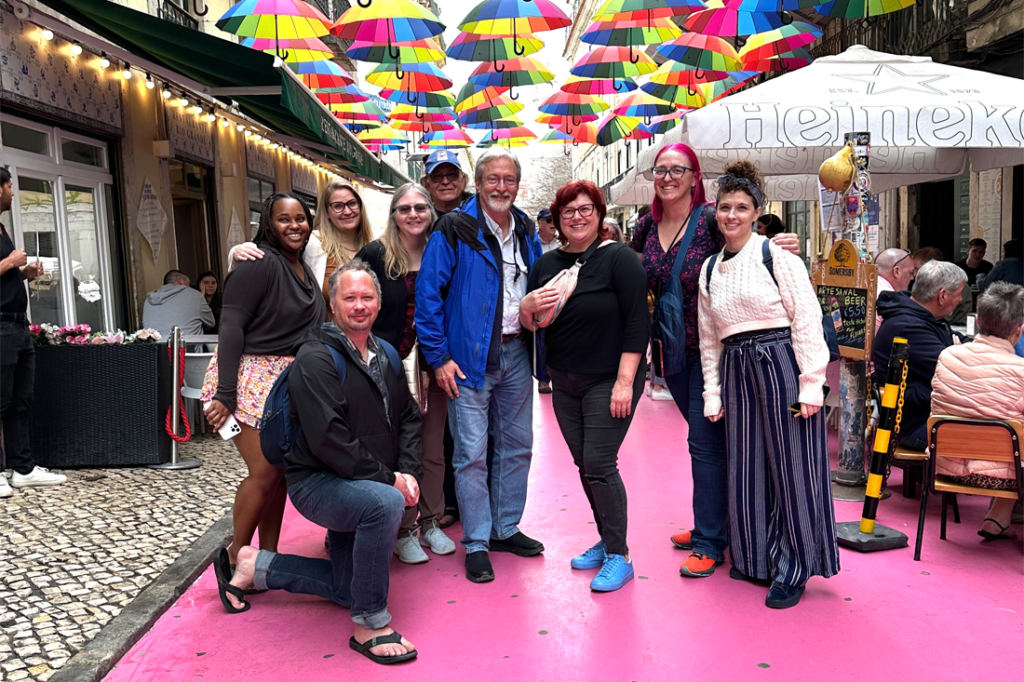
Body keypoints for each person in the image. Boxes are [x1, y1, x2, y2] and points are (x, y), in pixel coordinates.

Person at [221, 260, 422, 666]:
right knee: (385, 504)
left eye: (367, 297)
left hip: (364, 481)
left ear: (379, 304)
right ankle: (370, 623)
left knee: (352, 586)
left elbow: (409, 419)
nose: (359, 305)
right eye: (349, 298)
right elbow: (330, 439)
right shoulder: (315, 358)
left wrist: (409, 471)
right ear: (333, 305)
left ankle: (257, 565)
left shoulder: (384, 353)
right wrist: (391, 481)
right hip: (318, 483)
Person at [630, 143, 799, 579]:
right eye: (660, 170)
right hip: (672, 352)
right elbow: (629, 274)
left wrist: (780, 244)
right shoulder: (645, 225)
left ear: (693, 176)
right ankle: (715, 521)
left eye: (677, 170)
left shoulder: (709, 220)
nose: (667, 177)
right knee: (711, 445)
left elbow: (749, 245)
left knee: (705, 446)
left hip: (721, 353)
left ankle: (710, 541)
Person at [697, 160, 838, 609]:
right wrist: (713, 391)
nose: (731, 215)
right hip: (737, 366)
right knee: (748, 466)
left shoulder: (778, 257)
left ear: (757, 211)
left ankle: (794, 568)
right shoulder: (708, 270)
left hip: (780, 362)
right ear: (715, 213)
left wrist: (812, 384)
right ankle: (757, 558)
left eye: (741, 207)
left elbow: (807, 321)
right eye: (724, 208)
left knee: (792, 467)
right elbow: (708, 339)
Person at [416, 147, 544, 584]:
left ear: (517, 185)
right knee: (470, 454)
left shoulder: (526, 227)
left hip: (516, 351)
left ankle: (506, 527)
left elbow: (540, 282)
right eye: (493, 179)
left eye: (509, 180)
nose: (501, 187)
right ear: (478, 183)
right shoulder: (455, 229)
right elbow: (428, 298)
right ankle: (477, 540)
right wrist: (439, 358)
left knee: (518, 446)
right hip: (467, 361)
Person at [521, 180, 648, 592]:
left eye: (585, 209)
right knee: (585, 465)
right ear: (557, 220)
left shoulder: (619, 260)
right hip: (564, 380)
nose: (577, 217)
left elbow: (637, 324)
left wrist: (625, 383)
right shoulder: (545, 265)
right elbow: (534, 324)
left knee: (599, 463)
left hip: (609, 379)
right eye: (568, 211)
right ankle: (609, 539)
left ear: (598, 213)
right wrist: (526, 310)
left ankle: (620, 555)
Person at [202, 193, 326, 575]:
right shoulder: (257, 262)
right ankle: (235, 557)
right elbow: (230, 326)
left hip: (286, 383)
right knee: (265, 470)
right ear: (268, 225)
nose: (294, 226)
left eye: (300, 219)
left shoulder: (302, 266)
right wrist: (225, 393)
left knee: (281, 472)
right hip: (247, 380)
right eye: (284, 219)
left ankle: (266, 560)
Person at [354, 183, 456, 564]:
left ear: (431, 211)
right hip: (388, 368)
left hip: (434, 366)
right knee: (396, 449)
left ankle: (431, 521)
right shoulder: (375, 255)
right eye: (404, 208)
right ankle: (402, 528)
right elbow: (351, 299)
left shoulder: (443, 250)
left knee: (433, 448)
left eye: (420, 207)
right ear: (393, 214)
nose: (413, 214)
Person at [931, 282, 1024, 540]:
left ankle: (998, 518)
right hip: (1006, 478)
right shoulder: (1021, 372)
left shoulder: (947, 356)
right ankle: (999, 516)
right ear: (1019, 330)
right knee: (1014, 442)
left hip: (945, 467)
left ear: (979, 321)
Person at [0, 166, 66, 496]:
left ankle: (22, 468)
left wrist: (24, 273)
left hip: (16, 325)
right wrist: (11, 262)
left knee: (19, 401)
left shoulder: (1, 228)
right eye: (9, 186)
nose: (13, 193)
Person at [230, 180, 374, 316]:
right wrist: (237, 250)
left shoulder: (374, 249)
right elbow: (271, 250)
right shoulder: (312, 242)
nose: (347, 211)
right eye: (338, 206)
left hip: (367, 338)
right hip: (321, 337)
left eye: (352, 203)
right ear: (327, 212)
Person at [873, 260, 967, 451]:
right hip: (915, 425)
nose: (960, 300)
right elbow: (957, 370)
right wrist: (955, 350)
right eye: (958, 295)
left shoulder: (919, 317)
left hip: (925, 416)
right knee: (1000, 438)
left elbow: (960, 342)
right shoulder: (909, 326)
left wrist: (955, 348)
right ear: (942, 295)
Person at [142, 270, 215, 339]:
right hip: (188, 349)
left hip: (156, 349)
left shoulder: (149, 299)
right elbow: (211, 323)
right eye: (188, 283)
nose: (189, 287)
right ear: (180, 281)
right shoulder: (195, 295)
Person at [874, 248, 916, 329]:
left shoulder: (863, 286)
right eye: (910, 273)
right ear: (897, 271)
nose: (912, 278)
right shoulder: (891, 299)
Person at [421, 150, 471, 216]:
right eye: (437, 176)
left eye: (452, 175)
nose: (445, 181)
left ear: (463, 180)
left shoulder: (480, 208)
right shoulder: (422, 218)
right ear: (427, 185)